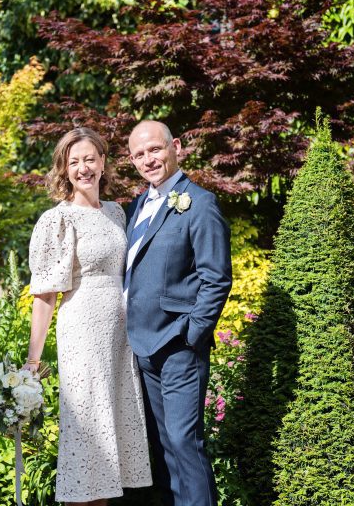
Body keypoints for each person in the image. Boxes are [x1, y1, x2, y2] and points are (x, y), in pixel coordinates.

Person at [23, 127, 152, 506]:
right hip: (82, 334)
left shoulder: (116, 212)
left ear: (103, 162)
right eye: (74, 161)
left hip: (120, 337)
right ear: (64, 169)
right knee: (88, 437)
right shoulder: (57, 220)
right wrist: (33, 360)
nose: (83, 168)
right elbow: (45, 293)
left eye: (90, 159)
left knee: (109, 444)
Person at [124, 120, 232, 506]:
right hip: (143, 346)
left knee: (186, 442)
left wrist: (191, 335)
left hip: (178, 346)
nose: (148, 160)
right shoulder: (137, 206)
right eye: (139, 154)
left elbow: (216, 278)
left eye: (155, 149)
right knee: (166, 446)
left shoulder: (200, 203)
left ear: (176, 147)